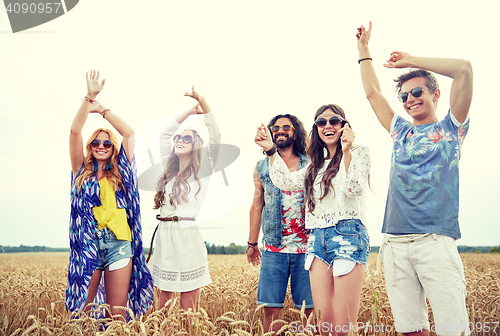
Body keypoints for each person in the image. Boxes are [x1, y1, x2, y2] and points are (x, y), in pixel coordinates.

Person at [357, 22, 473, 336]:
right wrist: (364, 48)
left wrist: (411, 61)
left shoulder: (452, 129)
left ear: (436, 94)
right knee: (410, 330)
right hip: (394, 241)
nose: (409, 99)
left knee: (453, 329)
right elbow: (372, 93)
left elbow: (464, 69)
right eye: (404, 95)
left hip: (435, 241)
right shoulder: (401, 132)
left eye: (417, 91)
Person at [255, 105, 371, 336]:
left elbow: (355, 188)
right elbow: (285, 182)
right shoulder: (314, 166)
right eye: (321, 122)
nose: (327, 126)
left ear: (344, 125)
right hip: (316, 239)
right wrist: (270, 150)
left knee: (342, 327)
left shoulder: (359, 152)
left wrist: (346, 151)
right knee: (324, 325)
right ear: (316, 128)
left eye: (334, 121)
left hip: (347, 235)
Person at [66, 70, 154, 322]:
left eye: (106, 143)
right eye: (96, 143)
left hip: (119, 245)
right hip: (88, 244)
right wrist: (88, 98)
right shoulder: (80, 171)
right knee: (81, 313)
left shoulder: (122, 173)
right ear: (90, 148)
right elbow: (74, 132)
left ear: (113, 148)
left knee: (118, 315)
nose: (101, 146)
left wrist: (102, 109)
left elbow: (129, 133)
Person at [149, 86, 220, 316]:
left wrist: (203, 102)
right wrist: (189, 111)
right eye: (179, 138)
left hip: (188, 235)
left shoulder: (203, 171)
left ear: (195, 145)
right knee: (162, 309)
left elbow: (215, 136)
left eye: (186, 138)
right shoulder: (168, 171)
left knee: (188, 311)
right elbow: (164, 135)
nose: (179, 139)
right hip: (165, 235)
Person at [247, 114, 314, 334]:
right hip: (274, 248)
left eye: (287, 127)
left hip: (307, 247)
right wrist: (252, 243)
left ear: (296, 132)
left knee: (308, 311)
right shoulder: (261, 167)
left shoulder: (311, 163)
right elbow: (257, 206)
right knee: (270, 309)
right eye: (276, 128)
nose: (281, 131)